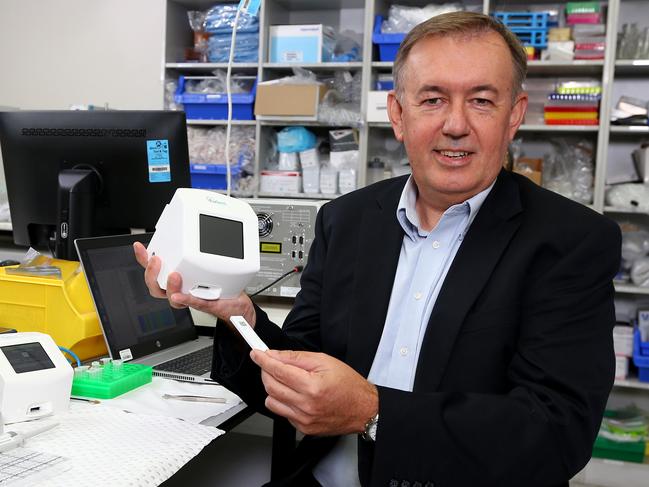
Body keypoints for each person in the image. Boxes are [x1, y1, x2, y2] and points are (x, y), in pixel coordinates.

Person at [135, 11, 621, 487]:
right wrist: (239, 316)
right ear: (398, 114)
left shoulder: (570, 242)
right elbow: (300, 367)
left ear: (513, 115)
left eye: (481, 101)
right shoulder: (346, 220)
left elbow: (555, 432)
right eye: (432, 99)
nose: (456, 124)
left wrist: (374, 413)